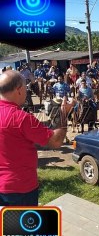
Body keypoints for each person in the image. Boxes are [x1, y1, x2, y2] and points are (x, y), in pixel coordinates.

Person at [0, 70, 74, 206]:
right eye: (26, 88)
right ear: (19, 90)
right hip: (20, 189)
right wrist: (64, 113)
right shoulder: (21, 118)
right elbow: (56, 142)